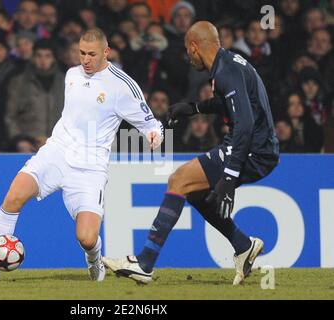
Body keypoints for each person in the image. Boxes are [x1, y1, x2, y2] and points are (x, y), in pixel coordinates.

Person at [0, 28, 163, 283]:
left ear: (106, 52)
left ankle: (94, 260)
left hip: (90, 167)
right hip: (56, 153)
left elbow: (151, 123)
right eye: (81, 53)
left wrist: (154, 135)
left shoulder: (122, 86)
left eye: (92, 54)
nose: (85, 59)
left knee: (86, 238)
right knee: (13, 197)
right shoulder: (72, 75)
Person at [102, 21, 279, 286]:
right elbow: (231, 104)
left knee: (179, 180)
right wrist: (194, 108)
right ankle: (243, 246)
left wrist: (229, 177)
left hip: (253, 147)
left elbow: (245, 123)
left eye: (188, 50)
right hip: (257, 146)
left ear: (195, 47)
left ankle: (145, 263)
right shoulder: (228, 64)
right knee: (195, 192)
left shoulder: (226, 70)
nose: (188, 57)